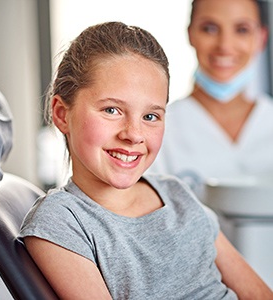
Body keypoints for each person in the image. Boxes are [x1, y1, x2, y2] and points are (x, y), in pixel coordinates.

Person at [19, 22, 272, 299]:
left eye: (150, 116)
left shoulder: (176, 193)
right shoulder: (62, 221)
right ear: (61, 113)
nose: (134, 134)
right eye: (112, 110)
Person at [148, 0, 273, 198]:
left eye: (242, 29)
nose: (224, 45)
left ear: (262, 38)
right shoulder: (158, 128)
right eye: (209, 28)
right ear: (191, 34)